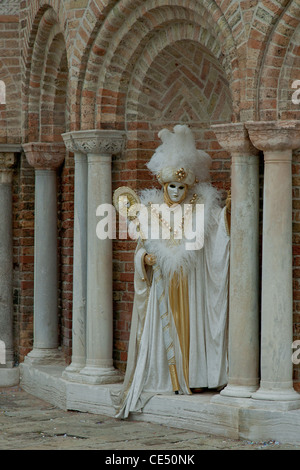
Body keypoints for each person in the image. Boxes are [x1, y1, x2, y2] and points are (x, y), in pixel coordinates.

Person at [113, 124, 230, 419]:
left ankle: (193, 377)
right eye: (171, 186)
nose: (176, 191)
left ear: (188, 188)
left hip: (192, 284)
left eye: (182, 187)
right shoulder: (151, 213)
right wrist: (146, 260)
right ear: (164, 187)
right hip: (164, 283)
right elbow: (140, 248)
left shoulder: (201, 211)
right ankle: (171, 378)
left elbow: (218, 236)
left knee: (193, 324)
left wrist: (228, 214)